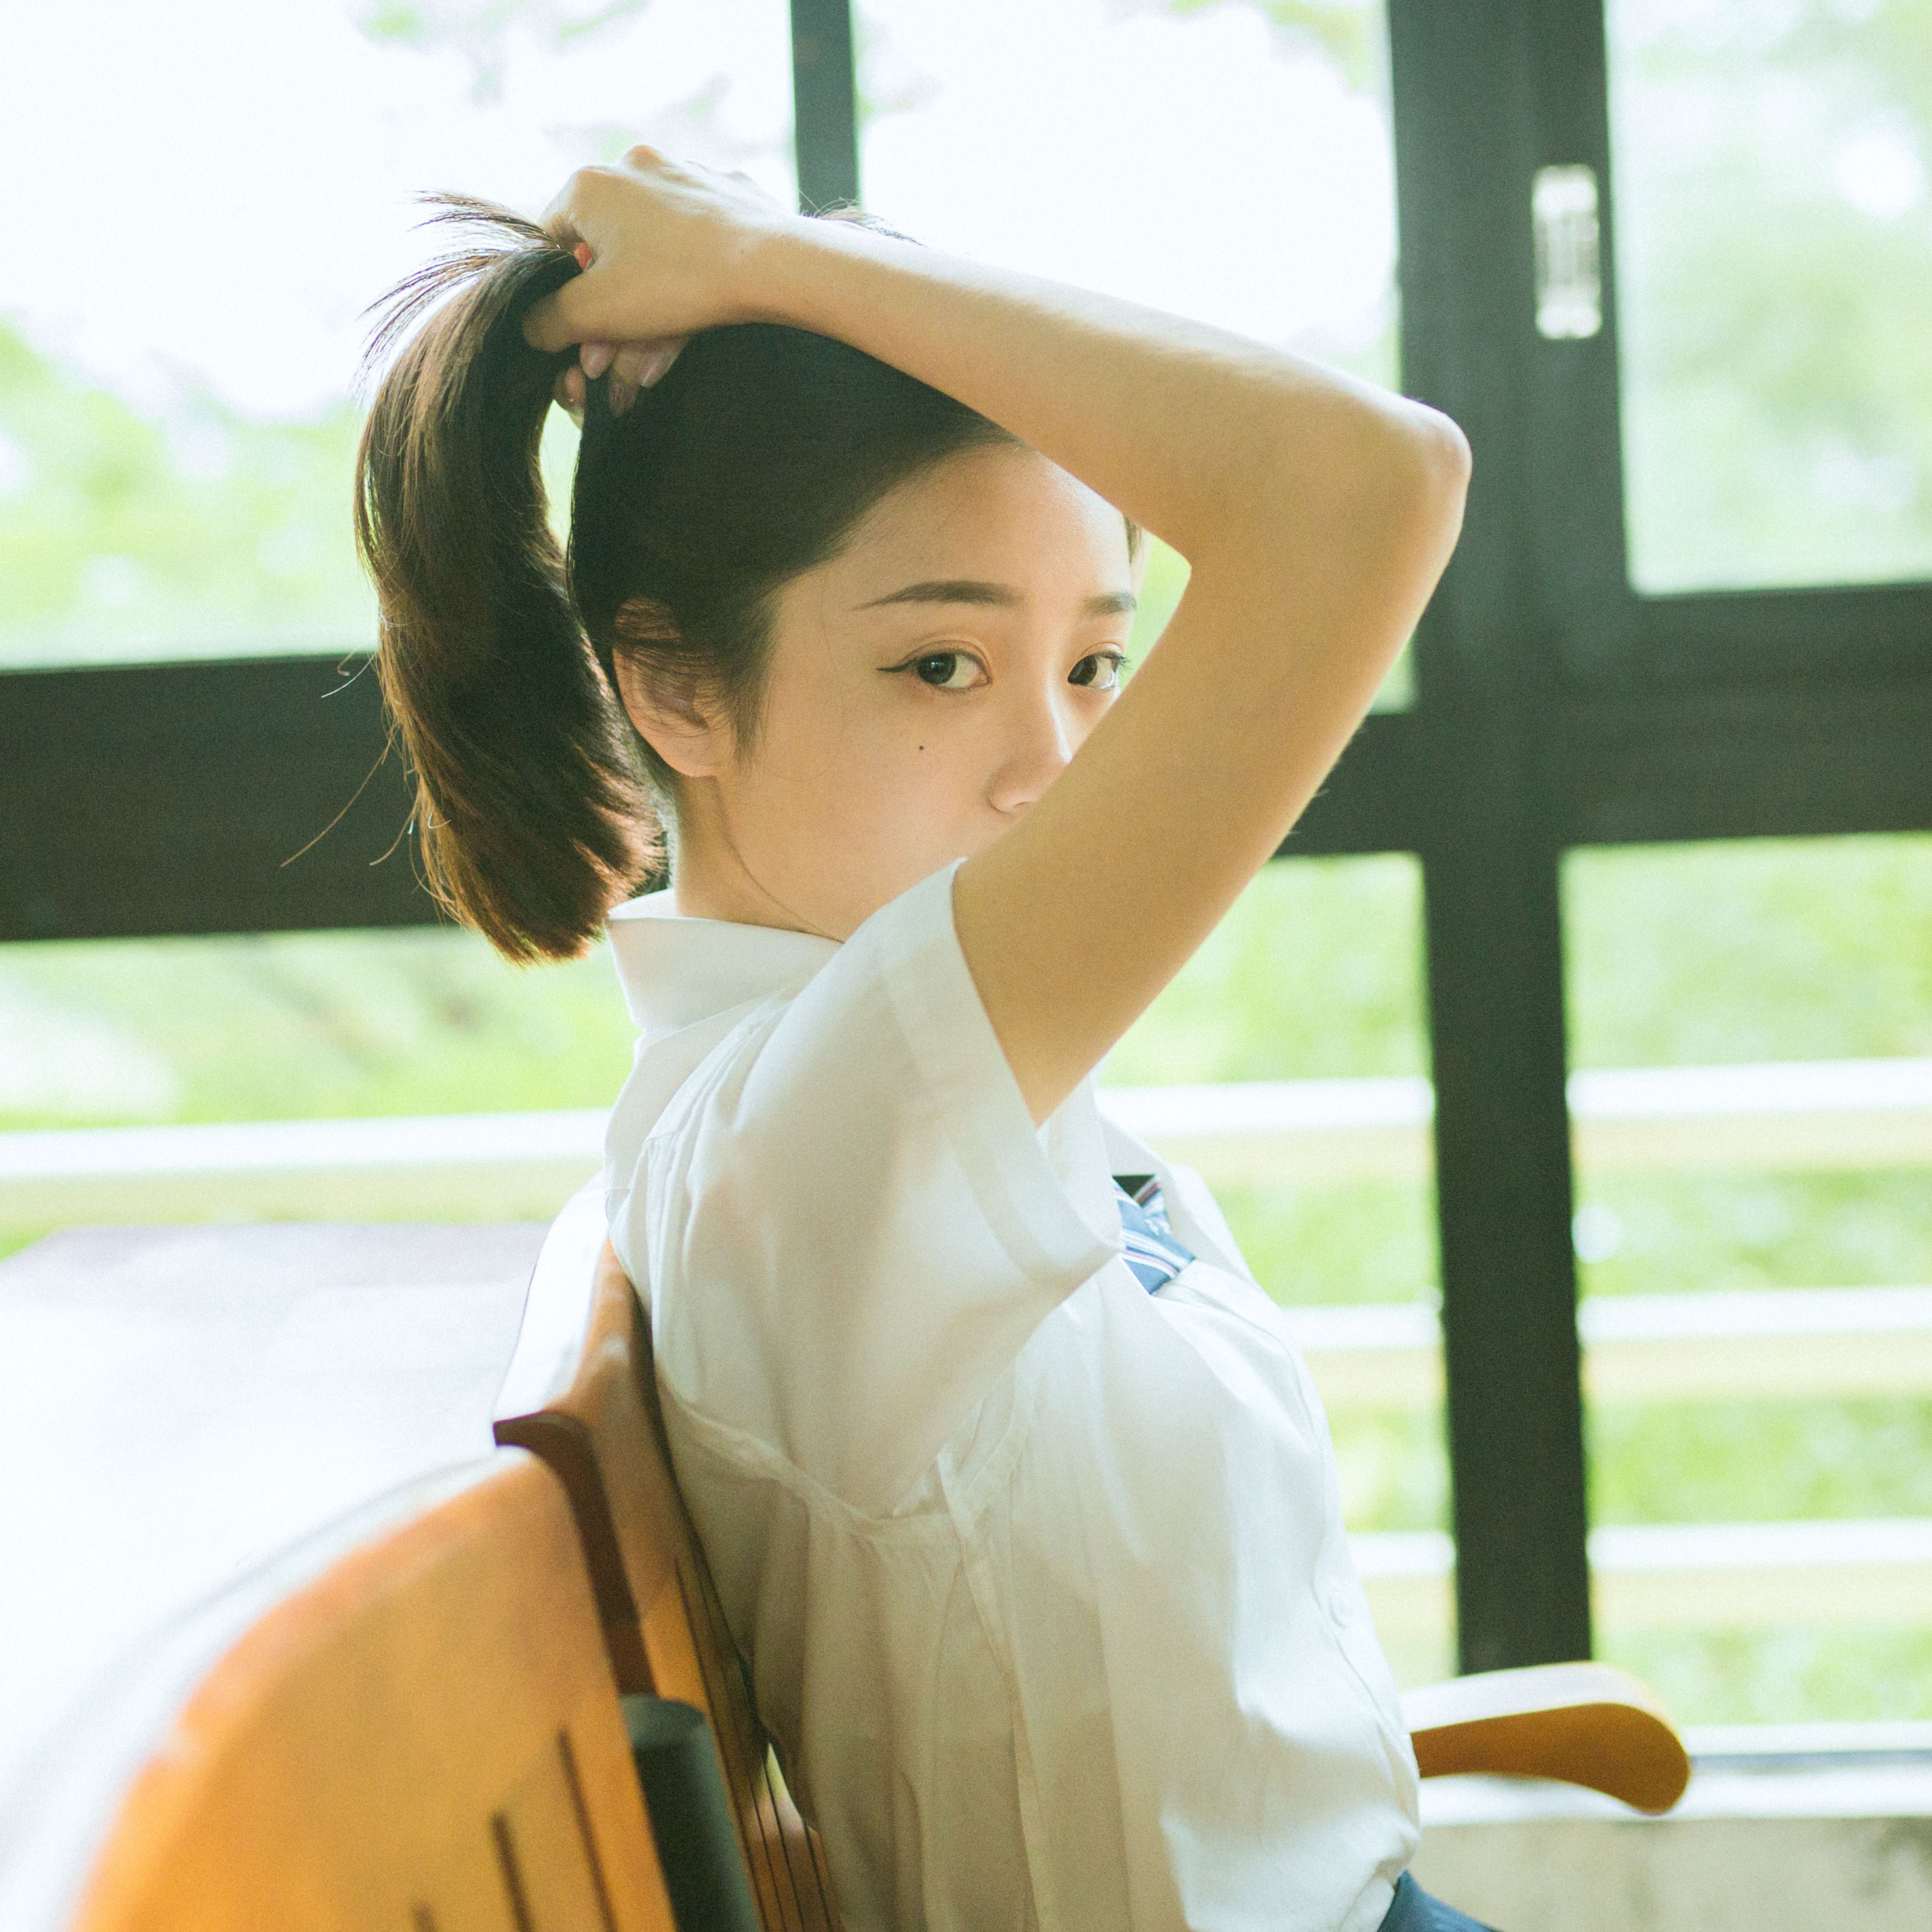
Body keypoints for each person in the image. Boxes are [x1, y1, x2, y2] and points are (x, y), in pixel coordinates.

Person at [355, 148, 1478, 1932]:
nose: (1056, 766)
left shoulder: (864, 1074)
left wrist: (772, 269)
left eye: (1096, 666)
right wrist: (761, 257)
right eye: (942, 664)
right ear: (674, 684)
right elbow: (1366, 484)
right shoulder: (823, 1135)